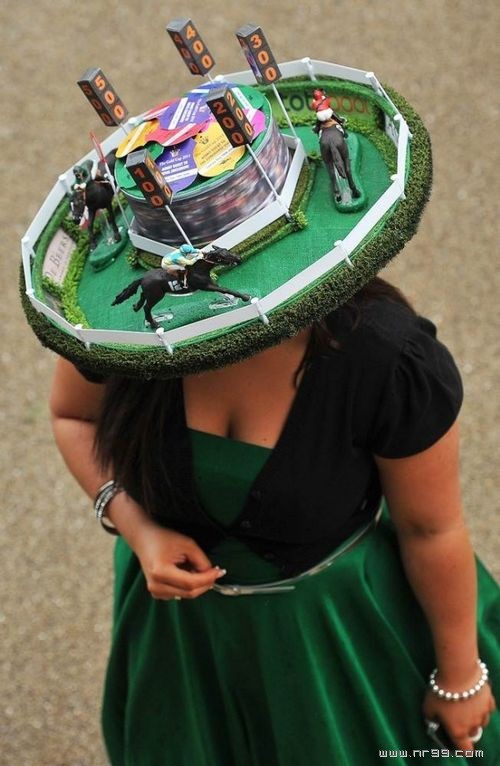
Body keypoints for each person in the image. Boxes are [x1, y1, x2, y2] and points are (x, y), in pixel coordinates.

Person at [50, 277, 499, 765]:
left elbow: (430, 530)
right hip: (181, 641)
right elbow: (74, 417)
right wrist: (138, 528)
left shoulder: (385, 355)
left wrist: (459, 678)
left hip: (335, 637)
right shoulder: (113, 322)